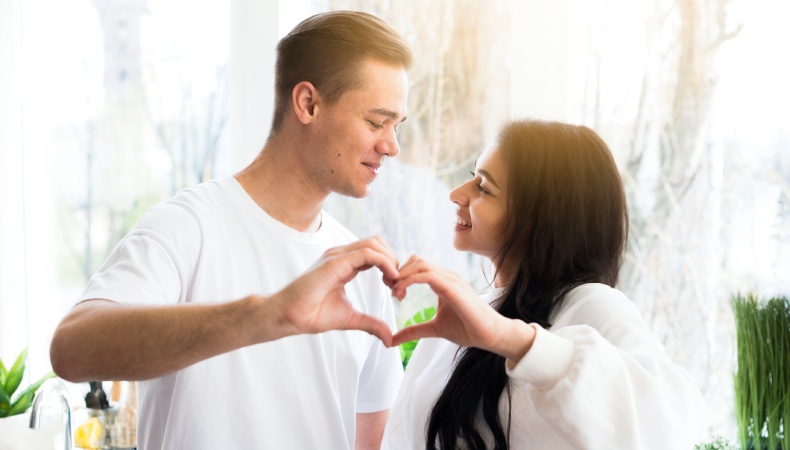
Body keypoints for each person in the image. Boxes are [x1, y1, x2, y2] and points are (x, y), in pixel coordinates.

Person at [49, 11, 412, 450]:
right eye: (376, 122)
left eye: (396, 126)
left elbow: (367, 438)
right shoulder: (188, 227)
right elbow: (71, 349)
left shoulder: (363, 271)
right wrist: (268, 315)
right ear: (308, 104)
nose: (391, 145)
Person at [382, 120, 706, 449]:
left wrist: (514, 341)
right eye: (472, 178)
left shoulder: (595, 306)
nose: (456, 195)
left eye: (484, 187)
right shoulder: (463, 316)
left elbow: (673, 423)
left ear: (540, 218)